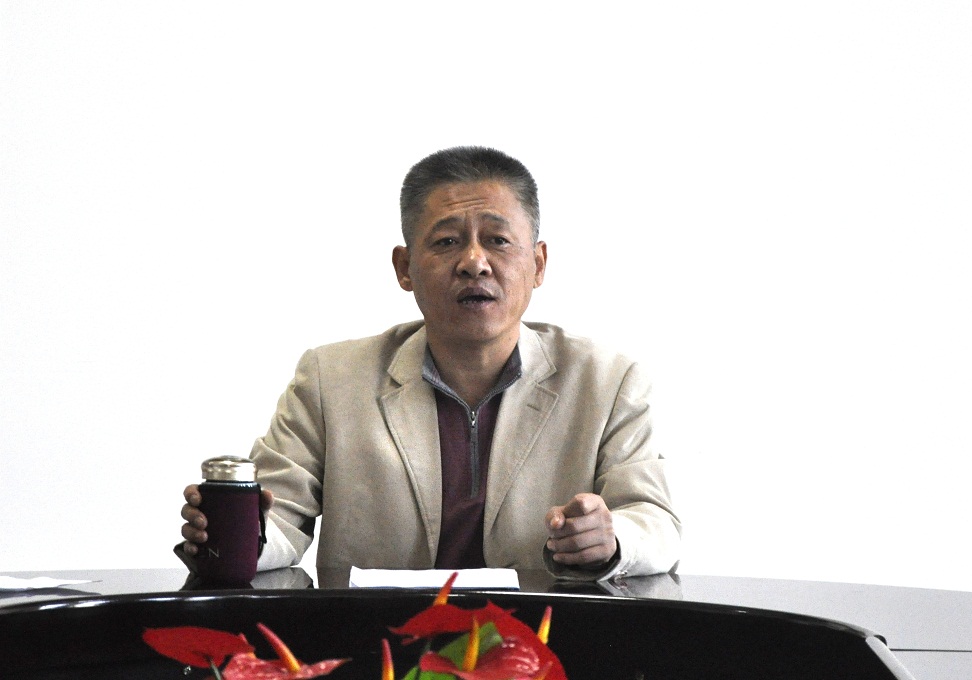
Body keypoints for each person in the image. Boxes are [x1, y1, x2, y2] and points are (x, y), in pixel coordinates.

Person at [181, 146, 680, 580]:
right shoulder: (331, 380)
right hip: (383, 641)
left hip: (543, 640)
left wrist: (611, 539)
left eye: (498, 240)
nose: (474, 262)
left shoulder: (607, 382)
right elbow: (278, 520)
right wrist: (234, 537)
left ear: (538, 264)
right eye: (446, 242)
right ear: (404, 268)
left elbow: (654, 521)